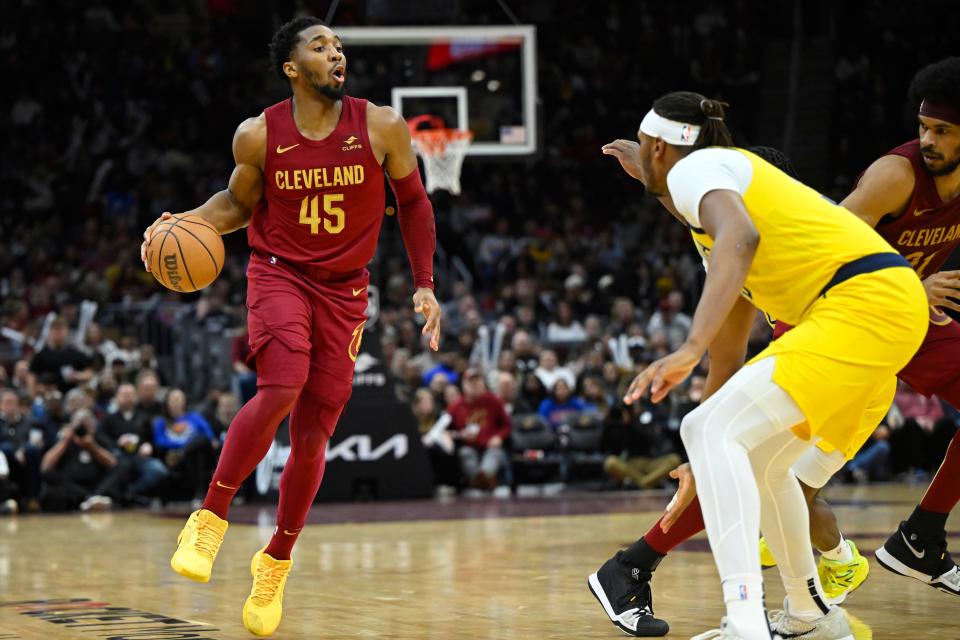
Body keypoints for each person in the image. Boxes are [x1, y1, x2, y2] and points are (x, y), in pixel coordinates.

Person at [139, 16, 441, 636]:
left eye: (338, 45)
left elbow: (412, 202)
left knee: (313, 437)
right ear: (292, 67)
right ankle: (211, 517)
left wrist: (424, 283)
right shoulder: (258, 135)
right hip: (278, 273)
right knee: (280, 387)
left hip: (347, 292)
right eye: (320, 45)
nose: (336, 53)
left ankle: (275, 561)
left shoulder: (381, 124)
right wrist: (185, 221)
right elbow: (236, 204)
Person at [588, 91, 927, 640]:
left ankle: (745, 623)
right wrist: (704, 460)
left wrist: (687, 347)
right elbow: (728, 357)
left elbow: (737, 234)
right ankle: (811, 616)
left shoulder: (700, 173)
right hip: (878, 314)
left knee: (706, 427)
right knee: (764, 464)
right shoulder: (713, 222)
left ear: (658, 148)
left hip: (863, 308)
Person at [448, 368, 511, 490]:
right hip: (469, 446)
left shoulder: (493, 401)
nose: (475, 385)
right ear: (464, 385)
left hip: (490, 445)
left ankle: (481, 479)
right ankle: (484, 481)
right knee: (465, 453)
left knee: (494, 453)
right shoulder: (456, 406)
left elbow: (506, 425)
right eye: (471, 382)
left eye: (478, 382)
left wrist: (499, 437)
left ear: (483, 383)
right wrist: (461, 435)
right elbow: (446, 430)